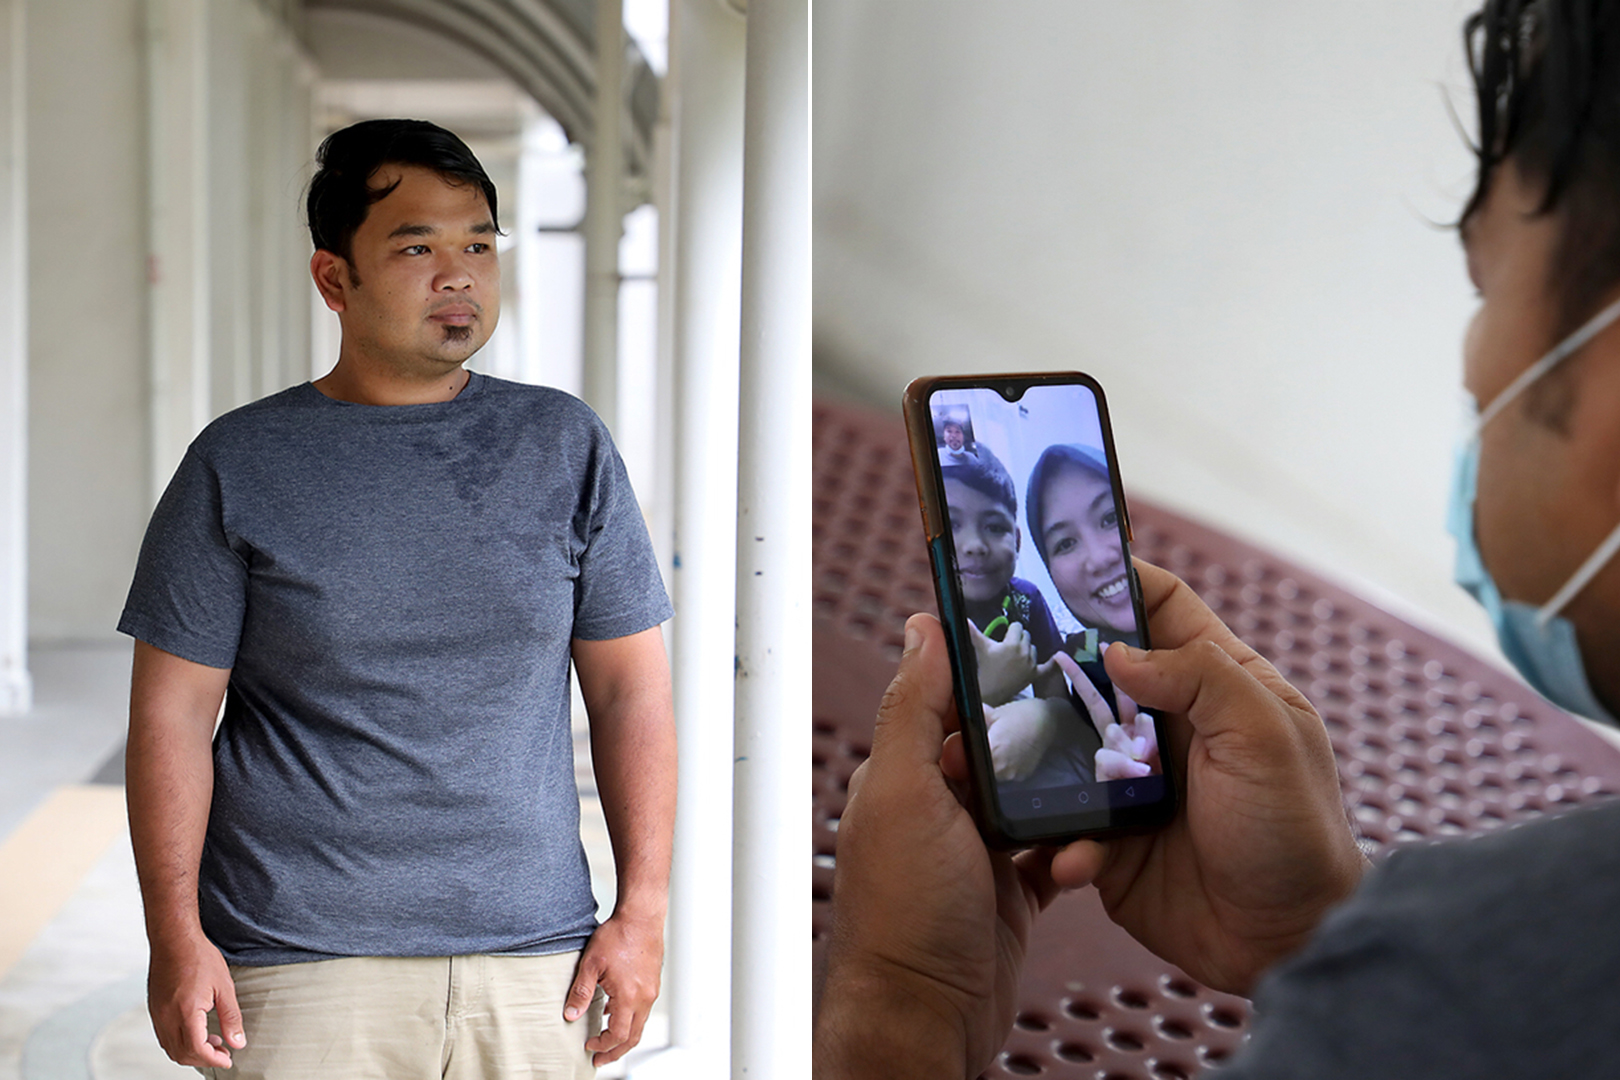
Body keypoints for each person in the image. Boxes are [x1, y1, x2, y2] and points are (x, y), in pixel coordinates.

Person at [814, 0, 1620, 1074]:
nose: (1472, 364)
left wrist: (902, 1002)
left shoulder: (1467, 986)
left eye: (1487, 283)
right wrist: (1316, 929)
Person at [121, 119, 676, 1078]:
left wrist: (644, 914)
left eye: (478, 246)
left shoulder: (562, 444)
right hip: (298, 963)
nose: (458, 275)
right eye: (417, 248)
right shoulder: (240, 462)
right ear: (334, 279)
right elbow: (171, 716)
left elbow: (633, 692)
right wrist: (176, 937)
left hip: (535, 960)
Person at [941, 444, 1101, 783]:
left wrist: (1042, 716)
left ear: (1016, 540)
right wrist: (991, 687)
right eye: (951, 524)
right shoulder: (934, 615)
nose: (974, 545)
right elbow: (924, 729)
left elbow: (1060, 703)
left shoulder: (1026, 599)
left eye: (994, 527)